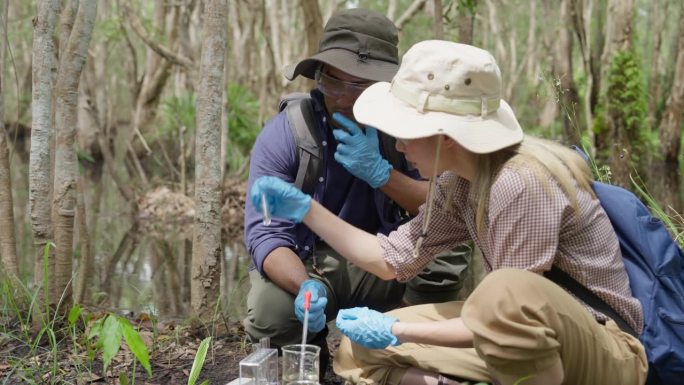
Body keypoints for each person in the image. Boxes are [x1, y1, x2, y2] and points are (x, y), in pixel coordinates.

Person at [249, 40, 648, 385]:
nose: (399, 147)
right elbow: (391, 259)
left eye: (406, 132)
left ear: (444, 136)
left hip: (604, 349)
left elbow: (510, 310)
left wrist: (397, 329)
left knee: (502, 291)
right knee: (355, 349)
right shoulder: (457, 182)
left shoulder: (520, 182)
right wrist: (306, 209)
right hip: (525, 333)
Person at [243, 10, 470, 372]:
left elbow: (449, 206)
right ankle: (312, 359)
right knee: (271, 312)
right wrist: (304, 286)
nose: (345, 100)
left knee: (447, 252)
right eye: (334, 83)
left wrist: (382, 174)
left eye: (362, 87)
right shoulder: (287, 134)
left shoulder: (408, 132)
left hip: (388, 262)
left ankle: (417, 339)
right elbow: (266, 234)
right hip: (312, 265)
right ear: (317, 78)